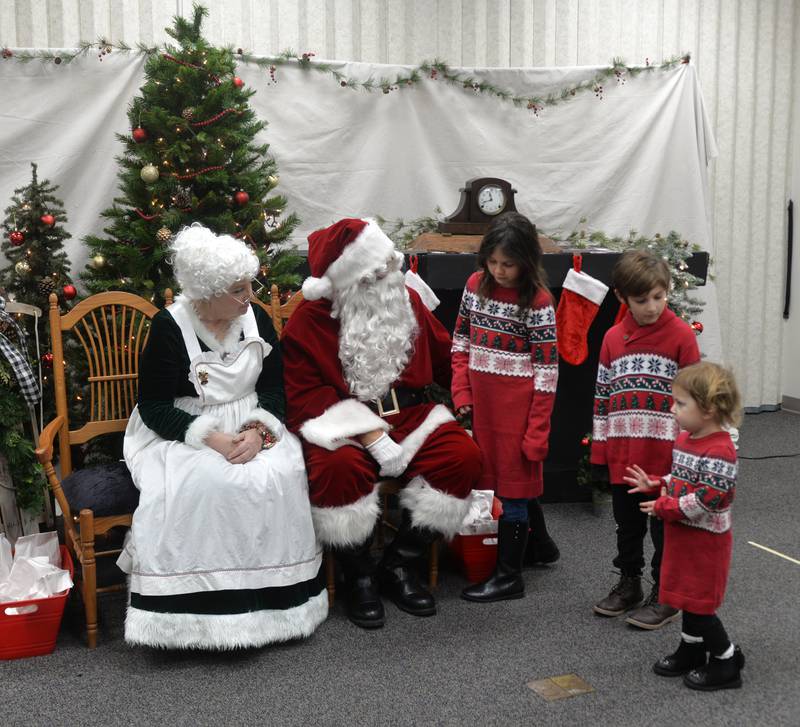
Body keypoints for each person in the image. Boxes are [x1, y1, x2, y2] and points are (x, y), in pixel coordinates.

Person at [117, 224, 327, 649]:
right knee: (208, 483)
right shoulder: (169, 328)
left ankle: (277, 610)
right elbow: (155, 407)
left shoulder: (256, 318)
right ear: (207, 292)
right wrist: (210, 438)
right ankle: (195, 618)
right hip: (182, 428)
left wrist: (258, 431)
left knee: (279, 475)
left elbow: (273, 388)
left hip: (251, 417)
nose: (249, 294)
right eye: (238, 288)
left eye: (248, 284)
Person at [281, 218, 481, 629]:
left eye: (391, 263)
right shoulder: (310, 320)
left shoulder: (405, 299)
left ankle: (399, 564)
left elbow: (445, 357)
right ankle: (359, 575)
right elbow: (303, 397)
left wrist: (467, 398)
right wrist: (369, 435)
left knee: (461, 456)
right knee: (338, 470)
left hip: (408, 415)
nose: (391, 276)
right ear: (349, 282)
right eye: (378, 272)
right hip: (341, 422)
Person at [451, 212, 559, 602]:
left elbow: (548, 373)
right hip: (482, 410)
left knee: (513, 489)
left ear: (527, 261)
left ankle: (509, 575)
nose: (499, 270)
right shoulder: (474, 286)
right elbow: (460, 343)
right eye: (492, 262)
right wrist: (462, 395)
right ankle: (541, 546)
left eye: (508, 264)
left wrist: (537, 432)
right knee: (498, 482)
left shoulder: (539, 302)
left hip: (519, 417)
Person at [591, 249, 700, 628]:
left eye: (659, 296)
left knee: (664, 528)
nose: (652, 307)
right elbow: (602, 397)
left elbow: (695, 402)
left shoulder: (682, 336)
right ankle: (629, 584)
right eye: (642, 300)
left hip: (667, 460)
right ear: (622, 297)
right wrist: (601, 451)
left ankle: (666, 593)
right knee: (628, 525)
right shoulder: (611, 339)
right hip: (625, 456)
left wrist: (689, 456)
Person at [625, 361, 744, 690]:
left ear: (707, 409)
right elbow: (682, 479)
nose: (673, 409)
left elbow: (708, 499)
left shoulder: (721, 451)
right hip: (683, 535)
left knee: (701, 604)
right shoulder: (687, 438)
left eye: (680, 403)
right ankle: (691, 650)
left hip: (706, 543)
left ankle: (726, 660)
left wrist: (664, 505)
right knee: (687, 597)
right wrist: (655, 482)